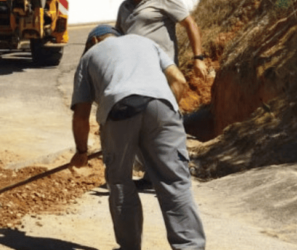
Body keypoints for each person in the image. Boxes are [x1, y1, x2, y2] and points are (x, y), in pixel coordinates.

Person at [69, 25, 206, 250]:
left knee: (120, 182)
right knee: (175, 182)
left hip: (119, 108)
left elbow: (81, 115)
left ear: (93, 41)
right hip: (164, 105)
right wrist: (161, 117)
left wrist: (82, 151)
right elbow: (179, 81)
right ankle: (190, 246)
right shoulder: (145, 43)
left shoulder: (90, 56)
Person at [117, 0, 209, 78]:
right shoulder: (124, 7)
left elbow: (190, 24)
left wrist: (198, 58)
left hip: (163, 72)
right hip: (136, 74)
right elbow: (118, 37)